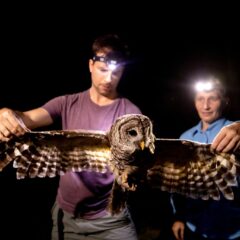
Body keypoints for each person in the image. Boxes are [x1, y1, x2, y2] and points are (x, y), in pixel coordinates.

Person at [0, 33, 141, 240]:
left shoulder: (130, 113)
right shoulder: (66, 104)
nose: (109, 79)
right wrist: (6, 113)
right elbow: (26, 118)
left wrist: (131, 173)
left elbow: (136, 160)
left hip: (110, 219)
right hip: (67, 215)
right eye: (103, 70)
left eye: (116, 73)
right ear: (91, 65)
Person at [171, 77, 240, 240]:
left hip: (233, 229)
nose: (206, 106)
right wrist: (178, 217)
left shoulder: (234, 133)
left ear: (225, 101)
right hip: (195, 226)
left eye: (213, 99)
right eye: (200, 99)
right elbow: (177, 185)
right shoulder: (185, 137)